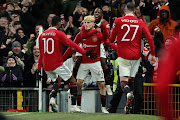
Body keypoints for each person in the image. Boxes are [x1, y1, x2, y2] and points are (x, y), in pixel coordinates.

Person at [37, 16, 96, 113]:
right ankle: (73, 106)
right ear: (59, 23)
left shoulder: (42, 35)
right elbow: (71, 44)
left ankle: (52, 98)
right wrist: (85, 52)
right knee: (73, 80)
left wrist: (39, 69)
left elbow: (41, 54)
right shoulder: (59, 33)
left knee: (58, 80)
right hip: (56, 63)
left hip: (46, 65)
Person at [109, 2, 156, 113]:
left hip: (124, 55)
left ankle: (128, 96)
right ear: (135, 10)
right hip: (136, 57)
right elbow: (149, 38)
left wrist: (115, 39)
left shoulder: (118, 21)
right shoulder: (140, 22)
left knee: (124, 82)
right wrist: (153, 54)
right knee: (132, 81)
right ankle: (128, 108)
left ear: (124, 9)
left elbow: (111, 39)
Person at [63, 15, 113, 113]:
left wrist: (105, 28)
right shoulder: (80, 35)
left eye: (88, 22)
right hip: (84, 63)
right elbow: (72, 47)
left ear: (93, 24)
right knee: (78, 84)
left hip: (95, 62)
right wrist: (63, 58)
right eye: (85, 22)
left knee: (101, 85)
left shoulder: (97, 35)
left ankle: (103, 108)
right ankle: (79, 106)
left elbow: (106, 39)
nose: (86, 24)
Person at [76, 7, 114, 95]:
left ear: (102, 15)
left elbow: (106, 37)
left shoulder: (105, 23)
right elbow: (82, 33)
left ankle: (107, 85)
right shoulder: (88, 22)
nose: (96, 13)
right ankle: (74, 84)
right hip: (86, 43)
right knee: (78, 59)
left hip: (99, 44)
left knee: (103, 62)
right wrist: (95, 31)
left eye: (99, 12)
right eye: (95, 12)